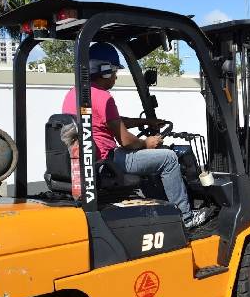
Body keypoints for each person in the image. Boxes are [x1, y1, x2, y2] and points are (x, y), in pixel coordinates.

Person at [62, 42, 210, 228]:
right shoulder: (103, 97)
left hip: (93, 160)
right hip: (107, 161)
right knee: (169, 158)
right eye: (114, 71)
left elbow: (111, 121)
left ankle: (160, 208)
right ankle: (186, 218)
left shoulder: (74, 94)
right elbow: (126, 142)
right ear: (105, 71)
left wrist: (144, 122)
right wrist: (146, 143)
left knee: (154, 158)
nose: (115, 76)